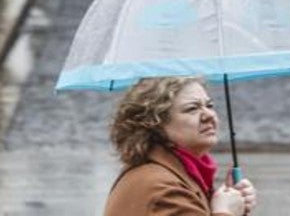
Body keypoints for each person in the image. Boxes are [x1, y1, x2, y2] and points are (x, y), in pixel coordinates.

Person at [105, 77, 258, 216]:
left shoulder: (173, 175)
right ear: (155, 123)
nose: (209, 115)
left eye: (209, 105)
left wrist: (228, 202)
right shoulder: (163, 189)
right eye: (192, 108)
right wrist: (226, 212)